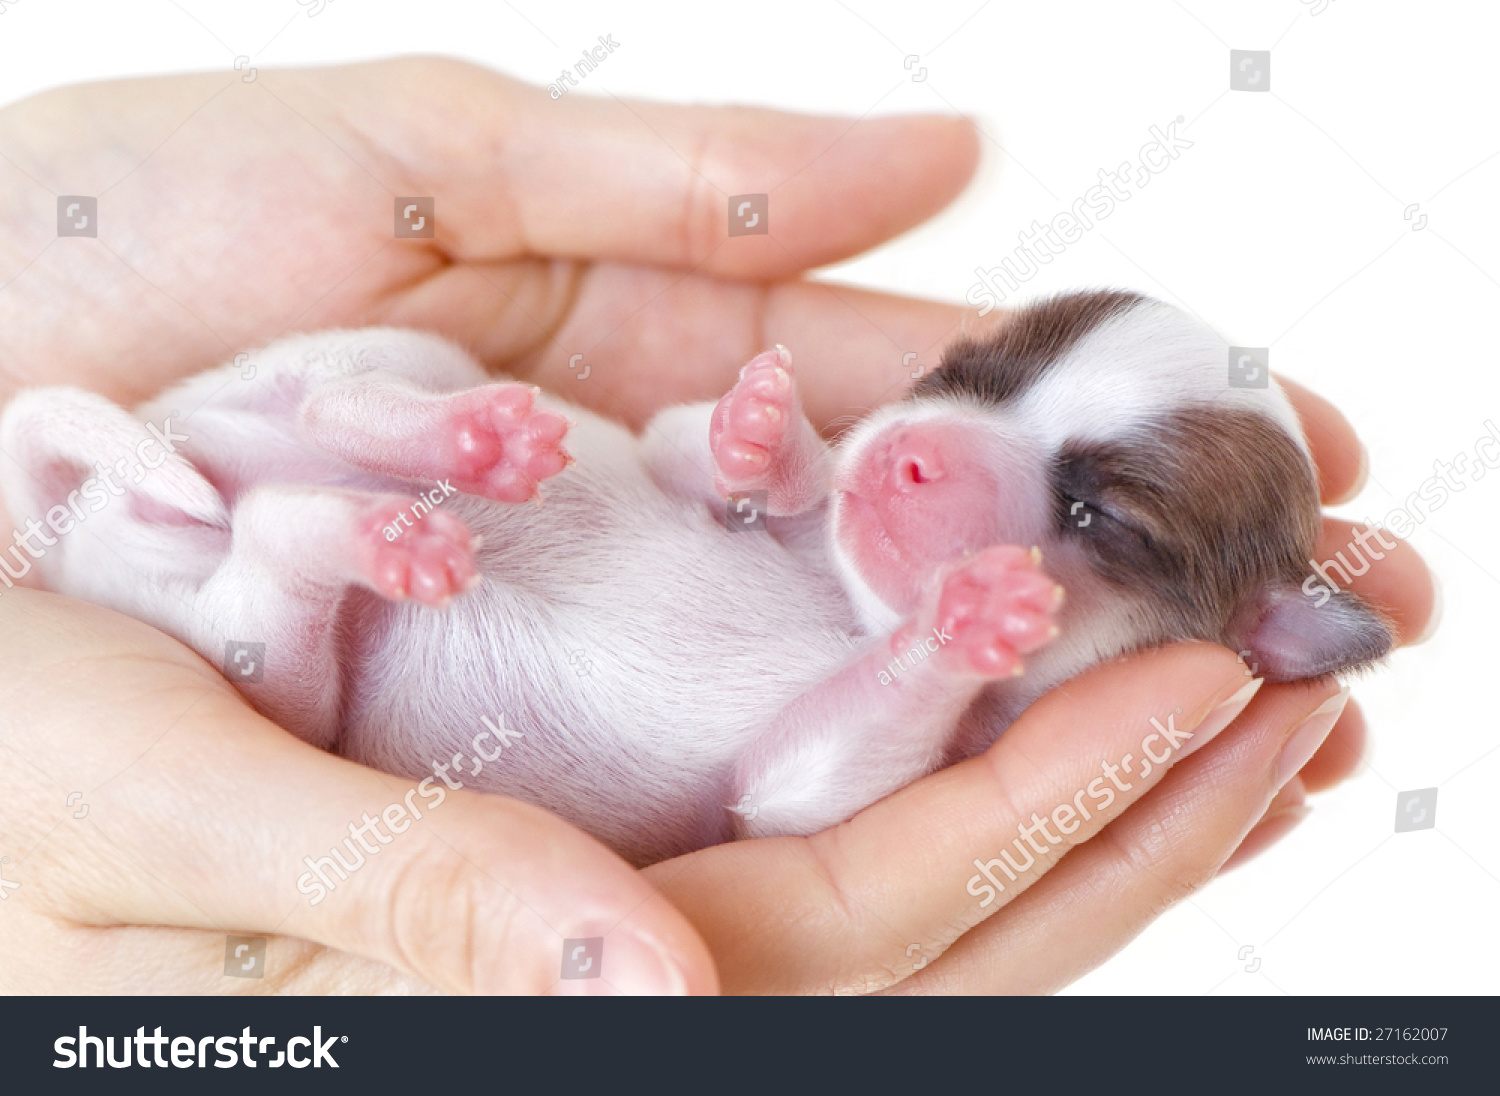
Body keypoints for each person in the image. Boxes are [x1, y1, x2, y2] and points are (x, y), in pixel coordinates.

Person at [0, 58, 1436, 994]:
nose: (933, 454)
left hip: (271, 628)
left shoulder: (939, 731)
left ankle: (312, 540)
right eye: (968, 386)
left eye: (1089, 509)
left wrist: (932, 665)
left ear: (1254, 633)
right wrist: (744, 458)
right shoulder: (816, 499)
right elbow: (679, 464)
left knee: (285, 690)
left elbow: (781, 801)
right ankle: (380, 445)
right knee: (443, 386)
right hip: (218, 491)